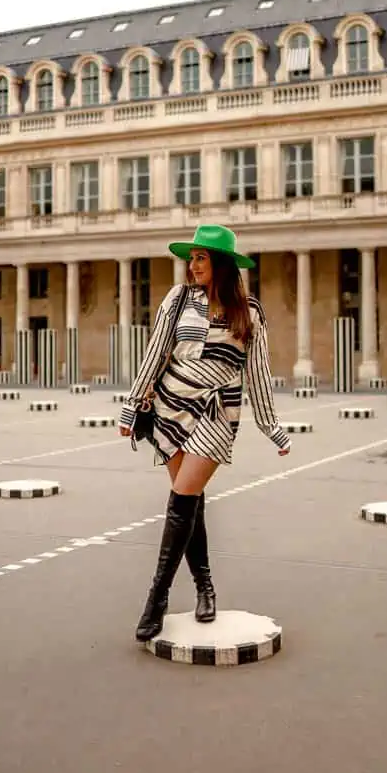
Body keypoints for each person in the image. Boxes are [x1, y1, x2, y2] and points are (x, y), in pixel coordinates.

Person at [118, 224, 291, 642]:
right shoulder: (177, 301)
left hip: (215, 413)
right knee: (189, 502)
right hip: (169, 408)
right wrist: (133, 403)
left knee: (182, 499)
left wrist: (271, 426)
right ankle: (204, 587)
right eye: (191, 258)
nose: (193, 265)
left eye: (201, 257)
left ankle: (155, 600)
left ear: (223, 264)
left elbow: (258, 372)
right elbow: (156, 352)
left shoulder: (248, 312)